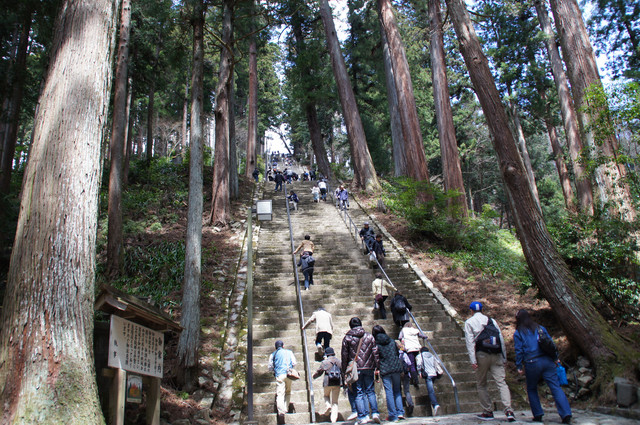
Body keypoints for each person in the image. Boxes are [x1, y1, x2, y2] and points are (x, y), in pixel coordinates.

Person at [514, 309, 572, 424]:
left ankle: (538, 414)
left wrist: (519, 365)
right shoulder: (540, 328)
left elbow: (519, 350)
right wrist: (555, 358)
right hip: (547, 361)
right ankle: (566, 413)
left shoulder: (518, 332)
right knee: (555, 387)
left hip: (531, 363)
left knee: (531, 388)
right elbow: (550, 343)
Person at [464, 301, 515, 422]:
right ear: (482, 310)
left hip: (481, 354)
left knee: (481, 384)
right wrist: (504, 356)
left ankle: (487, 411)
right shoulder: (491, 321)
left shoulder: (469, 322)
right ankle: (508, 410)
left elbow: (470, 342)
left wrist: (473, 360)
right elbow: (500, 339)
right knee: (501, 382)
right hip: (496, 354)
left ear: (471, 310)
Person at [341, 317, 381, 424]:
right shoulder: (369, 336)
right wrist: (377, 366)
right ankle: (375, 413)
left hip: (355, 368)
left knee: (358, 392)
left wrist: (344, 371)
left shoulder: (347, 338)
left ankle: (362, 416)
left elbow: (344, 355)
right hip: (369, 367)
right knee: (370, 391)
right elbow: (375, 352)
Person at [372, 325, 405, 422]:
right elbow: (397, 353)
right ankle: (400, 412)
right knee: (397, 390)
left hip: (385, 369)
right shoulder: (392, 341)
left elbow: (376, 358)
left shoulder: (376, 344)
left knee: (389, 392)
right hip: (395, 367)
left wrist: (377, 368)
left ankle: (393, 415)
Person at [268, 340, 297, 424]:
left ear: (275, 347)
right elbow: (294, 363)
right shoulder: (289, 352)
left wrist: (275, 369)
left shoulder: (273, 354)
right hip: (289, 374)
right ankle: (285, 408)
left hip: (279, 375)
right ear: (283, 346)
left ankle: (281, 412)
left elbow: (270, 367)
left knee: (280, 394)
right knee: (288, 392)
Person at [313, 347, 342, 423]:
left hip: (327, 382)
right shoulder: (339, 361)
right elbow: (343, 371)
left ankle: (328, 405)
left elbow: (319, 372)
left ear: (326, 354)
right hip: (337, 382)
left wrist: (314, 376)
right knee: (335, 402)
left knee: (326, 395)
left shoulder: (325, 362)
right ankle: (333, 419)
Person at [399, 322, 427, 387]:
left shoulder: (403, 330)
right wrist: (425, 336)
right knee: (417, 362)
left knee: (411, 364)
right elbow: (421, 335)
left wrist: (403, 341)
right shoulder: (415, 330)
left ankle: (415, 379)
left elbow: (399, 337)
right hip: (416, 348)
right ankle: (419, 374)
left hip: (409, 349)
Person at [416, 347, 441, 416]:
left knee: (431, 391)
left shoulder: (420, 356)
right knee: (431, 389)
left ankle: (435, 405)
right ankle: (434, 404)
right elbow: (438, 362)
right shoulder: (432, 355)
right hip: (434, 374)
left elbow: (419, 364)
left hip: (428, 375)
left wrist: (419, 372)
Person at [396, 340, 415, 417]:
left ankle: (399, 406)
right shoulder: (404, 354)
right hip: (406, 374)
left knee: (398, 390)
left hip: (397, 374)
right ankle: (410, 403)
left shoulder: (394, 355)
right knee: (406, 390)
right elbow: (409, 363)